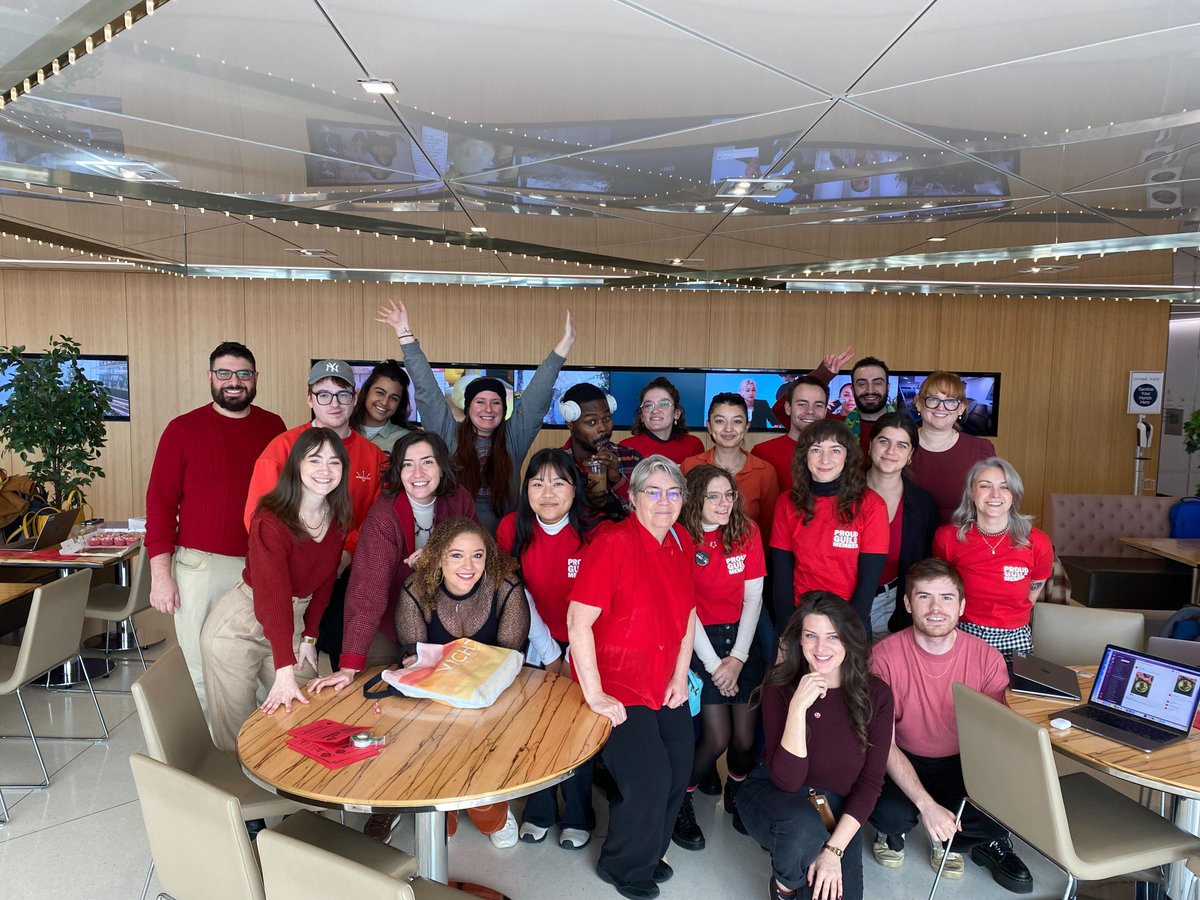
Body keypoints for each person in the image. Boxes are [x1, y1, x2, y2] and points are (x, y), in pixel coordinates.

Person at [309, 431, 476, 840]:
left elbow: (474, 560)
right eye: (407, 464)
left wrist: (437, 552)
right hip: (388, 615)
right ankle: (383, 797)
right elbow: (367, 590)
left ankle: (455, 788)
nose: (418, 473)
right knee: (379, 702)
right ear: (397, 472)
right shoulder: (385, 514)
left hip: (449, 618)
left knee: (452, 703)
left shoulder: (459, 501)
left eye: (427, 462)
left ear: (442, 467)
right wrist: (349, 664)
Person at [568, 455, 697, 899]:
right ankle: (623, 865)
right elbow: (577, 621)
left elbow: (689, 614)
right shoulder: (614, 543)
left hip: (663, 680)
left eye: (673, 491)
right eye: (653, 492)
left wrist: (681, 675)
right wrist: (596, 694)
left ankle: (646, 852)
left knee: (680, 768)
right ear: (633, 497)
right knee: (649, 780)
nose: (664, 501)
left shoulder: (679, 541)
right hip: (619, 685)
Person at [868, 558, 1032, 894]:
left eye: (946, 598)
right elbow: (883, 742)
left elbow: (996, 737)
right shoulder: (883, 656)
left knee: (1004, 812)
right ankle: (899, 831)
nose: (935, 608)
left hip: (962, 759)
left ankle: (949, 840)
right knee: (888, 813)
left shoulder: (987, 658)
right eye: (924, 597)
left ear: (961, 606)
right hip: (903, 755)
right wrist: (927, 805)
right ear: (908, 604)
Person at [145, 341, 285, 715]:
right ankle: (213, 759)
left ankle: (258, 752)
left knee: (261, 664)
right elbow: (159, 506)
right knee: (203, 668)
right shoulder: (183, 429)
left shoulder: (274, 427)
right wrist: (161, 575)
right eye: (224, 373)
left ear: (255, 379)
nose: (234, 382)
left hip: (260, 565)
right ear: (210, 378)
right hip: (200, 567)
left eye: (242, 374)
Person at [201, 428, 351, 753]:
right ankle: (240, 797)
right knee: (240, 733)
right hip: (240, 624)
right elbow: (273, 600)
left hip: (291, 623)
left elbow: (325, 582)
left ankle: (301, 791)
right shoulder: (270, 521)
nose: (325, 470)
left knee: (309, 713)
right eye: (315, 460)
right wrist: (284, 668)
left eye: (334, 462)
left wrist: (310, 637)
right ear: (297, 465)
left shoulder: (336, 518)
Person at [736, 592, 894, 900]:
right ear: (800, 640)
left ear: (850, 639)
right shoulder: (781, 686)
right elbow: (788, 779)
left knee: (838, 892)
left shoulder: (877, 694)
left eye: (833, 636)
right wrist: (798, 707)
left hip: (829, 807)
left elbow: (871, 783)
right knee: (801, 828)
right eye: (811, 635)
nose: (821, 648)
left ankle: (808, 851)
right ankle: (783, 887)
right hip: (777, 795)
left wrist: (833, 851)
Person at [380, 297, 576, 532]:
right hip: (454, 538)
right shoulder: (448, 436)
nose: (488, 409)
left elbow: (536, 399)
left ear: (504, 410)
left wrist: (563, 347)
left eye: (496, 403)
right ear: (468, 407)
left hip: (507, 539)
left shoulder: (513, 439)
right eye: (480, 402)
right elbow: (427, 391)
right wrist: (404, 334)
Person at [394, 517, 530, 848]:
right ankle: (446, 803)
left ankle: (489, 808)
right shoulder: (416, 589)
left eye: (477, 555)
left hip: (492, 692)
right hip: (438, 694)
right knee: (432, 729)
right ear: (439, 557)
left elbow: (507, 659)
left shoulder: (506, 587)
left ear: (488, 558)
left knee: (487, 730)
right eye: (456, 555)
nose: (468, 566)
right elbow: (416, 659)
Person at [244, 359, 387, 670]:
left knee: (337, 657)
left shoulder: (372, 455)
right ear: (310, 399)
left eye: (342, 394)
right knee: (277, 663)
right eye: (323, 394)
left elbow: (375, 518)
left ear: (355, 397)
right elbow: (258, 517)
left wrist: (345, 553)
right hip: (290, 580)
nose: (333, 404)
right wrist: (308, 560)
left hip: (344, 576)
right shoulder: (282, 447)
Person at [497, 448, 595, 849]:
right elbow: (511, 594)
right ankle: (539, 808)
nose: (547, 492)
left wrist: (570, 654)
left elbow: (600, 600)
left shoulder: (593, 531)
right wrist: (547, 650)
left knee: (578, 730)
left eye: (558, 482)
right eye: (537, 483)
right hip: (533, 642)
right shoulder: (511, 529)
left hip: (584, 644)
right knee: (532, 728)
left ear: (575, 488)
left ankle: (578, 812)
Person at [671, 465, 765, 853]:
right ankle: (681, 802)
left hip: (742, 640)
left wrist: (738, 658)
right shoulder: (680, 538)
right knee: (717, 736)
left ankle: (737, 796)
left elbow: (753, 598)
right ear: (695, 499)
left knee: (745, 741)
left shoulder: (747, 532)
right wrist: (715, 666)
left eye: (729, 494)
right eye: (714, 496)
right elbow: (686, 610)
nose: (724, 503)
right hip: (700, 644)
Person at [770, 419, 888, 634]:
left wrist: (848, 634)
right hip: (801, 617)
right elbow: (782, 576)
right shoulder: (787, 503)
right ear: (804, 456)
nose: (825, 459)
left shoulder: (873, 505)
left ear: (847, 456)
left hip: (850, 618)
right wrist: (787, 633)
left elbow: (868, 583)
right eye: (816, 450)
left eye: (835, 450)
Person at [932, 457, 1052, 661]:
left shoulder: (1037, 542)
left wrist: (1011, 616)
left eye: (1004, 487)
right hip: (961, 632)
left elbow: (1035, 587)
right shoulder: (947, 538)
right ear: (971, 492)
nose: (995, 494)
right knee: (960, 693)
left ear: (1013, 495)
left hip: (1014, 636)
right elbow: (940, 589)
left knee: (1010, 694)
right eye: (985, 486)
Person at [863, 413, 938, 638]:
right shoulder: (843, 494)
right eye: (883, 441)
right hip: (843, 600)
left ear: (910, 455)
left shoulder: (923, 504)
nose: (890, 451)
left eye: (901, 445)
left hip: (893, 604)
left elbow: (925, 564)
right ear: (870, 446)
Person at [683, 392, 779, 542]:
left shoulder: (765, 472)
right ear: (709, 426)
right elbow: (682, 523)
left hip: (748, 559)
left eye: (737, 422)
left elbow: (768, 531)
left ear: (747, 426)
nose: (728, 429)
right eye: (720, 421)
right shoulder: (690, 465)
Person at [908, 372, 997, 524]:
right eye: (933, 399)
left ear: (961, 408)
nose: (941, 407)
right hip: (907, 542)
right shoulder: (899, 446)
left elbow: (992, 503)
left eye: (950, 401)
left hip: (961, 542)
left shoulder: (981, 449)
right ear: (919, 404)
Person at [561, 382, 642, 532]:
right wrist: (581, 500)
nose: (603, 428)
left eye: (606, 419)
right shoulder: (556, 465)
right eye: (591, 422)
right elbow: (547, 522)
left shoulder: (632, 458)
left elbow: (648, 518)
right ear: (570, 424)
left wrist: (617, 481)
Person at [752, 376, 829, 495]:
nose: (810, 411)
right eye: (802, 404)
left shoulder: (836, 455)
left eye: (818, 405)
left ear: (825, 411)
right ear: (788, 408)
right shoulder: (763, 452)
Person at [619, 376, 704, 465]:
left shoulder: (694, 445)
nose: (655, 410)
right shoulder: (626, 448)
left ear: (676, 413)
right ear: (642, 416)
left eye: (664, 404)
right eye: (648, 405)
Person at [348, 359, 417, 455]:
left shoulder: (407, 439)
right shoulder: (344, 429)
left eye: (393, 398)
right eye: (380, 393)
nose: (385, 402)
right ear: (366, 391)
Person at [832, 356, 895, 456]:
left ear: (887, 388)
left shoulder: (906, 429)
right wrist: (825, 373)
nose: (870, 390)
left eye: (877, 383)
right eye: (862, 384)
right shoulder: (836, 426)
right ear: (853, 390)